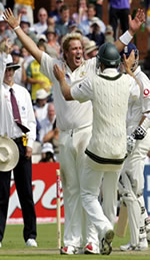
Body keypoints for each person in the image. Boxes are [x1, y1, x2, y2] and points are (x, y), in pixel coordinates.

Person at [3, 7, 145, 255]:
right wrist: (16, 28)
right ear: (65, 53)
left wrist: (130, 33)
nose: (79, 52)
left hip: (87, 134)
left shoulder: (91, 66)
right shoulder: (54, 65)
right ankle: (71, 241)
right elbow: (35, 51)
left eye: (81, 49)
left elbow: (110, 49)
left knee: (88, 191)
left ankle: (91, 240)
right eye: (75, 50)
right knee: (70, 189)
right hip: (65, 136)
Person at [53, 41, 140, 255]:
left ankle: (103, 228)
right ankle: (102, 241)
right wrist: (128, 69)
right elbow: (138, 93)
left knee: (87, 195)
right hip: (119, 152)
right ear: (117, 62)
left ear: (100, 63)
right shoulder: (128, 82)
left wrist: (61, 78)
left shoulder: (93, 81)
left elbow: (66, 94)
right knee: (110, 199)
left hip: (98, 151)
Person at [0, 39, 37, 248]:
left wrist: (30, 143)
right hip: (3, 145)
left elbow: (30, 120)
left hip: (21, 143)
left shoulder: (22, 92)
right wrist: (5, 53)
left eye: (12, 69)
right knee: (2, 193)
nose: (9, 72)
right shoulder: (0, 90)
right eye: (6, 69)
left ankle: (30, 235)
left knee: (26, 192)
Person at [118, 43, 150, 251]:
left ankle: (139, 241)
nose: (123, 60)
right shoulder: (126, 79)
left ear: (135, 56)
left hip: (138, 140)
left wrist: (137, 135)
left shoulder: (142, 79)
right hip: (127, 138)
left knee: (132, 188)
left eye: (126, 56)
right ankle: (145, 231)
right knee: (129, 187)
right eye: (122, 57)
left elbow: (148, 112)